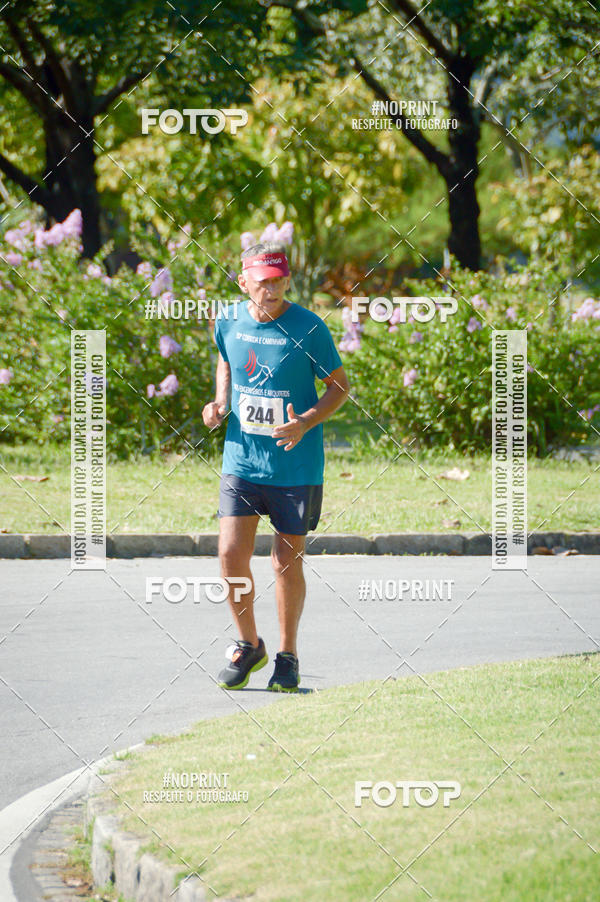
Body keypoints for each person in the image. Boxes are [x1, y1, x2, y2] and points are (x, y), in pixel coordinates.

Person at [202, 241, 349, 692]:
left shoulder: (309, 327)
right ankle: (250, 645)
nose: (272, 288)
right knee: (230, 554)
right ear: (244, 281)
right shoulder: (227, 319)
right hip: (242, 458)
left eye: (280, 280)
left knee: (286, 561)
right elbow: (226, 358)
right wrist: (221, 401)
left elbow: (339, 387)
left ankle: (287, 656)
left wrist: (304, 421)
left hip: (295, 465)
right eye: (263, 281)